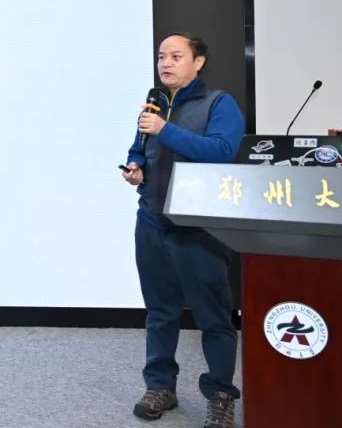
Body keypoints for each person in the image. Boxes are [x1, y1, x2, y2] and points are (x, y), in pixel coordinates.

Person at [122, 32, 245, 428]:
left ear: (198, 62)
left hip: (199, 230)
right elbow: (139, 149)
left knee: (214, 318)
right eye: (162, 56)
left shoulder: (219, 104)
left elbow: (222, 152)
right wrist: (135, 166)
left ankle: (221, 395)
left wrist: (165, 129)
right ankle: (160, 386)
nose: (166, 63)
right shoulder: (155, 104)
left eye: (176, 56)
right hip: (151, 223)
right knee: (160, 313)